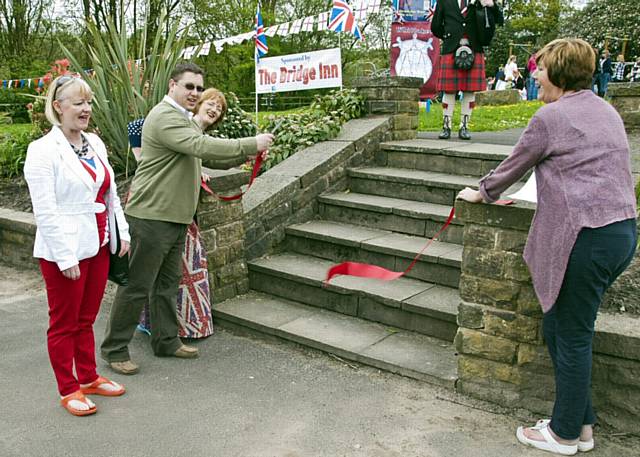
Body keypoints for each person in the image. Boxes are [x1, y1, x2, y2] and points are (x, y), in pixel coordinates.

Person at [457, 38, 637, 455]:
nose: (534, 75)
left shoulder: (550, 117)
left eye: (540, 69)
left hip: (587, 235)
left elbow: (514, 164)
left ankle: (564, 435)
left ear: (557, 73)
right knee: (560, 327)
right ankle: (581, 425)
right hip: (621, 233)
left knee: (571, 333)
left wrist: (482, 192)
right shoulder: (605, 109)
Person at [100, 63, 274, 375]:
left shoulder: (181, 119)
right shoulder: (165, 116)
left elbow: (200, 155)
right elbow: (199, 145)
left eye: (198, 87)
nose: (194, 92)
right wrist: (251, 143)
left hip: (175, 217)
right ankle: (114, 349)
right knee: (137, 287)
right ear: (172, 86)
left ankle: (166, 340)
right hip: (150, 217)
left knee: (166, 285)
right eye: (188, 86)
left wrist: (242, 156)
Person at [23, 75, 131, 416]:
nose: (86, 109)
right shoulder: (42, 151)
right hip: (63, 252)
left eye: (88, 103)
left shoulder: (95, 143)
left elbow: (109, 193)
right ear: (58, 107)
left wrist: (122, 233)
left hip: (98, 245)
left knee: (87, 318)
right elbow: (45, 210)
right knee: (64, 323)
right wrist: (64, 256)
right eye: (78, 103)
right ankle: (68, 389)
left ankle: (88, 377)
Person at [129, 88, 229, 339]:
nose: (214, 109)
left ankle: (174, 331)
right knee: (160, 275)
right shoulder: (179, 123)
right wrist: (138, 150)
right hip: (158, 210)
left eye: (219, 108)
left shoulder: (195, 133)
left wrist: (199, 166)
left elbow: (198, 152)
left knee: (183, 273)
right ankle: (144, 332)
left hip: (181, 213)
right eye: (211, 103)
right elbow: (137, 126)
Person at [432, 0, 504, 140]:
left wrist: (491, 5)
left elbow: (499, 20)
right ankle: (446, 126)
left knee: (469, 91)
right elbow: (435, 26)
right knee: (449, 90)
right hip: (451, 49)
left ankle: (464, 127)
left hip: (474, 47)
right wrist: (448, 37)